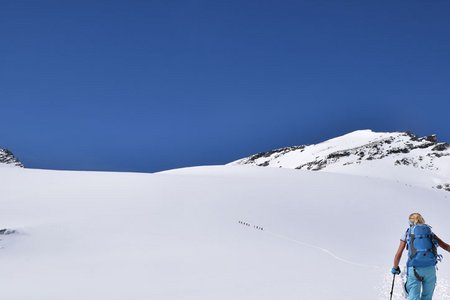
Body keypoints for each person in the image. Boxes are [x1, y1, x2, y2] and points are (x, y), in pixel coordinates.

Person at [392, 213, 450, 300]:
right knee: (427, 297)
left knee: (413, 298)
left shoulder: (408, 233)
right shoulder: (429, 232)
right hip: (430, 269)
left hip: (414, 268)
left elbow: (398, 254)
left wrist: (395, 268)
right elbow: (446, 246)